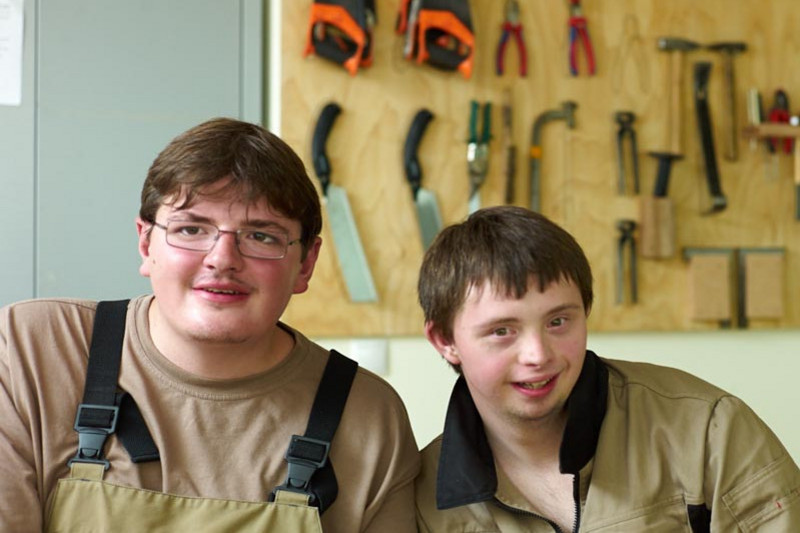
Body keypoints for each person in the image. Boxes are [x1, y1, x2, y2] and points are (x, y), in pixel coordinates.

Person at [0, 117, 419, 532]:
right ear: (146, 244)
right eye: (191, 228)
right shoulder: (32, 349)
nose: (222, 258)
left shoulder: (368, 415)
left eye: (261, 236)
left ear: (305, 264)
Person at [414, 205, 799, 532]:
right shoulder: (420, 496)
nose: (538, 354)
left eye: (558, 322)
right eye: (502, 331)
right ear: (445, 341)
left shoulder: (707, 429)